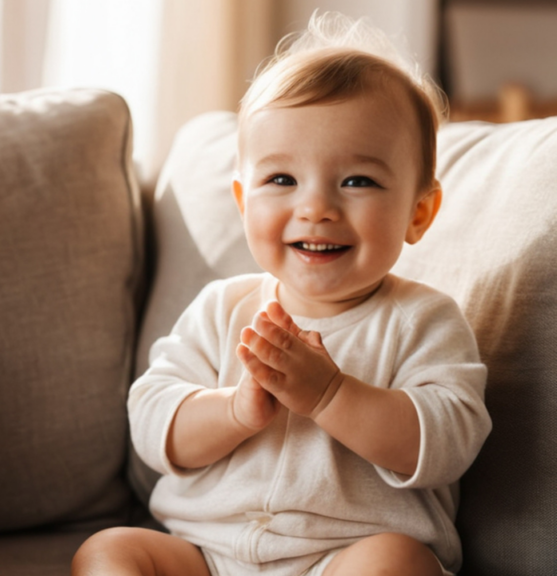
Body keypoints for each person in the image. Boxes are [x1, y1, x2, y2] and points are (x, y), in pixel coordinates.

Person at [72, 12, 491, 576]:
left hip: (342, 557)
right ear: (244, 203)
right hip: (206, 555)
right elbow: (153, 421)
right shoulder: (223, 309)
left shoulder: (423, 320)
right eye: (282, 180)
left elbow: (447, 442)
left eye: (357, 181)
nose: (316, 208)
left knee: (397, 561)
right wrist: (235, 411)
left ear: (419, 212)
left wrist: (331, 396)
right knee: (108, 551)